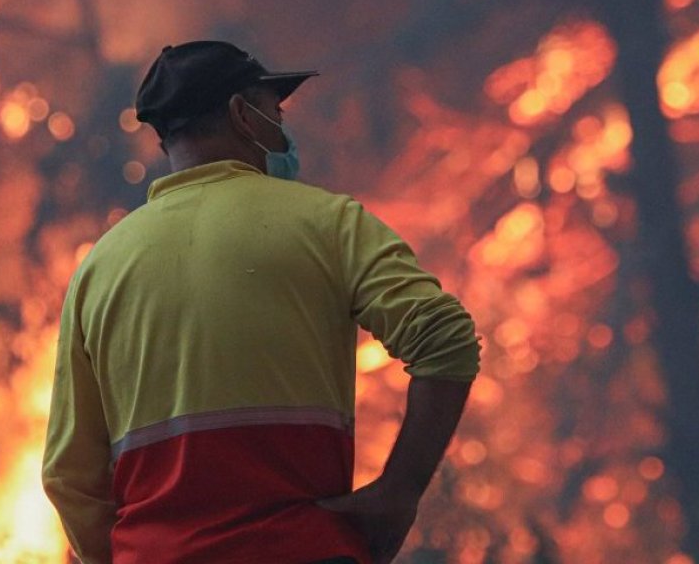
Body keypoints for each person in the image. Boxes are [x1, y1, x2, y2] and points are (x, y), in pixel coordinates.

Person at [42, 40, 481, 564]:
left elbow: (69, 475)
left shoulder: (98, 269)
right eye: (275, 109)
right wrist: (399, 492)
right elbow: (446, 339)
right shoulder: (327, 222)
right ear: (240, 114)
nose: (282, 125)